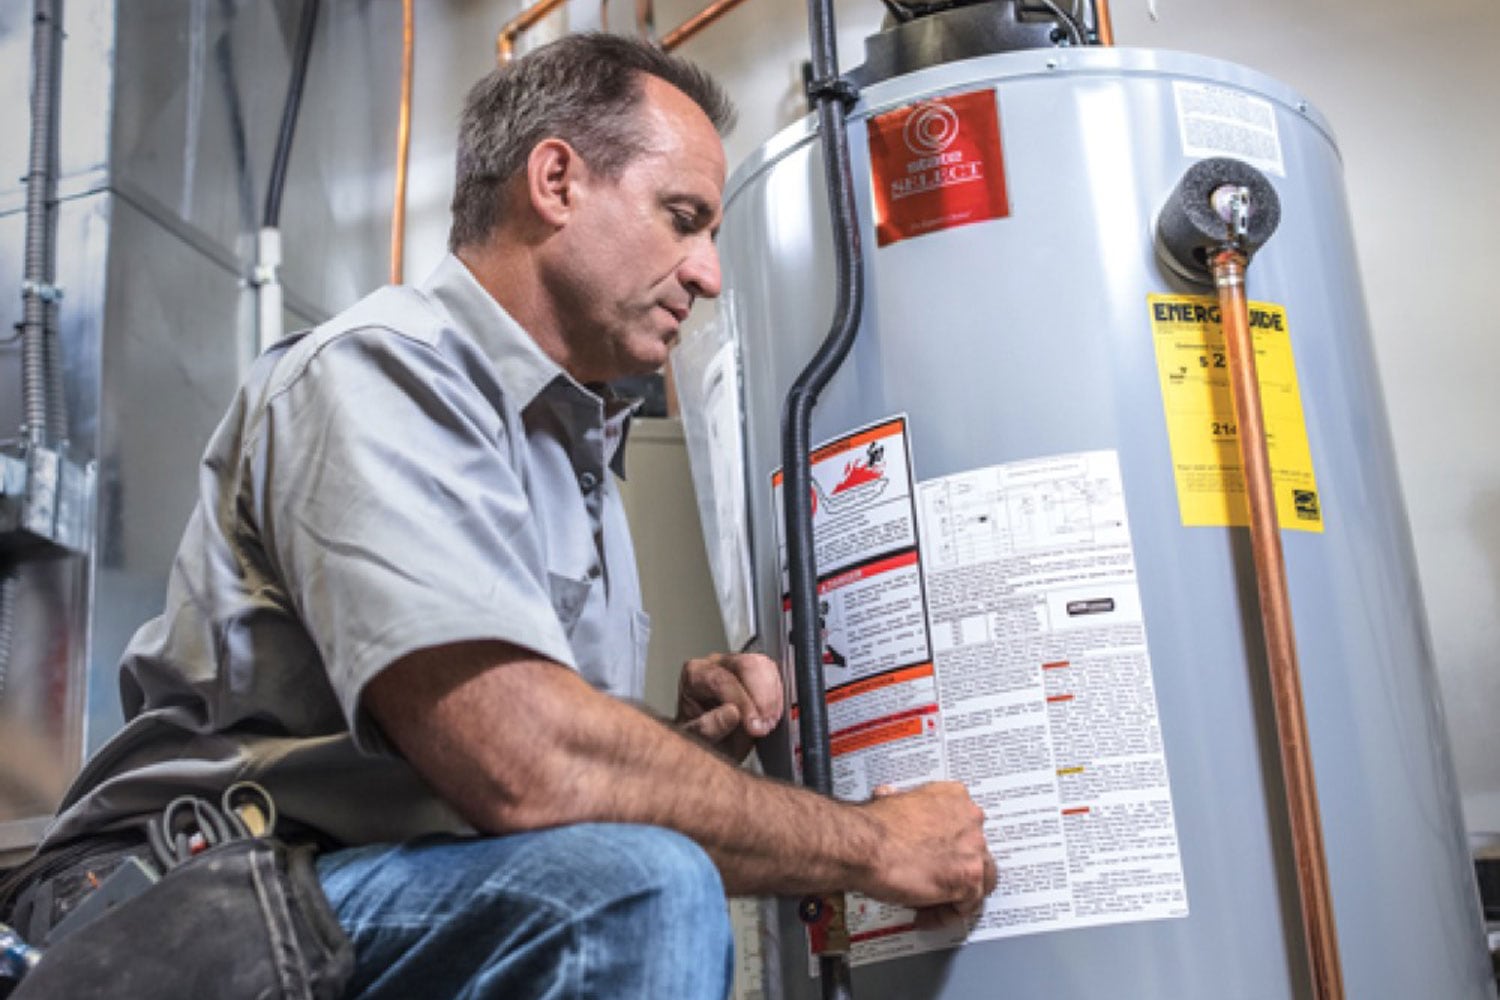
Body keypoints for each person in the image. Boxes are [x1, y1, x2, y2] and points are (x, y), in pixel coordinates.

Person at [5, 34, 995, 998]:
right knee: (633, 891)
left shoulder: (573, 453)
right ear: (556, 181)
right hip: (180, 915)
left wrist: (687, 750)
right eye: (683, 217)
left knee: (620, 872)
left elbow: (523, 796)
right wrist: (872, 843)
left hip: (349, 904)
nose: (708, 273)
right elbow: (523, 767)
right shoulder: (380, 373)